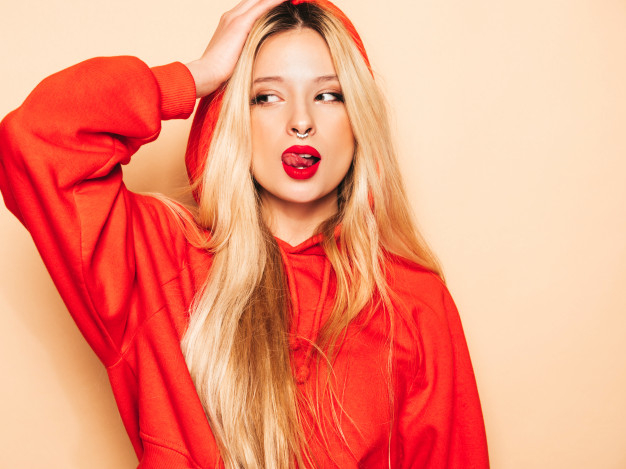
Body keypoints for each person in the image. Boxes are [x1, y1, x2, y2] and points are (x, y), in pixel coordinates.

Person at [0, 0, 489, 467]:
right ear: (234, 116)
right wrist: (196, 74)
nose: (301, 122)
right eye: (267, 97)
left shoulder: (414, 302)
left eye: (328, 95)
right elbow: (37, 139)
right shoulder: (158, 259)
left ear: (358, 118)